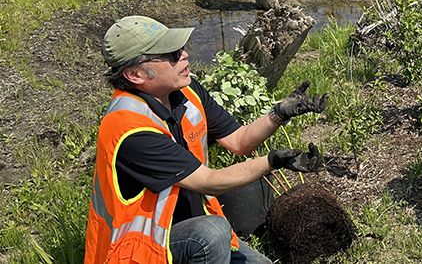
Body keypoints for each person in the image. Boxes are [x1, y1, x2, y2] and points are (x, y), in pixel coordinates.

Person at [85, 15, 329, 263]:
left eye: (181, 48)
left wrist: (279, 114)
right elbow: (209, 181)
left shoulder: (186, 92)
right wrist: (273, 161)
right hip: (142, 252)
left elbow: (239, 141)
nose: (184, 55)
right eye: (171, 54)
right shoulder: (130, 130)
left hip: (188, 230)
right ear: (135, 74)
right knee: (211, 233)